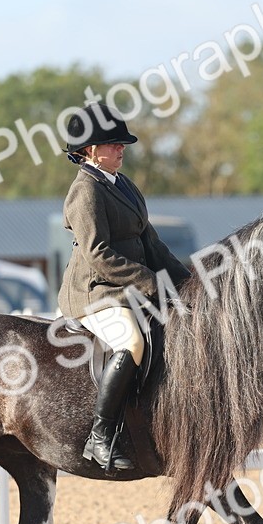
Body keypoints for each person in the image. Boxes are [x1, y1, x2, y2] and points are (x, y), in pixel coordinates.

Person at [57, 103, 191, 470]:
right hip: (95, 291)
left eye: (122, 144)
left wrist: (188, 284)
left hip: (127, 287)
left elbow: (153, 245)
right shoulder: (85, 191)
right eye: (113, 144)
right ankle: (99, 437)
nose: (122, 149)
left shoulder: (125, 186)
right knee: (131, 340)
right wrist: (151, 282)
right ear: (89, 151)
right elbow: (99, 253)